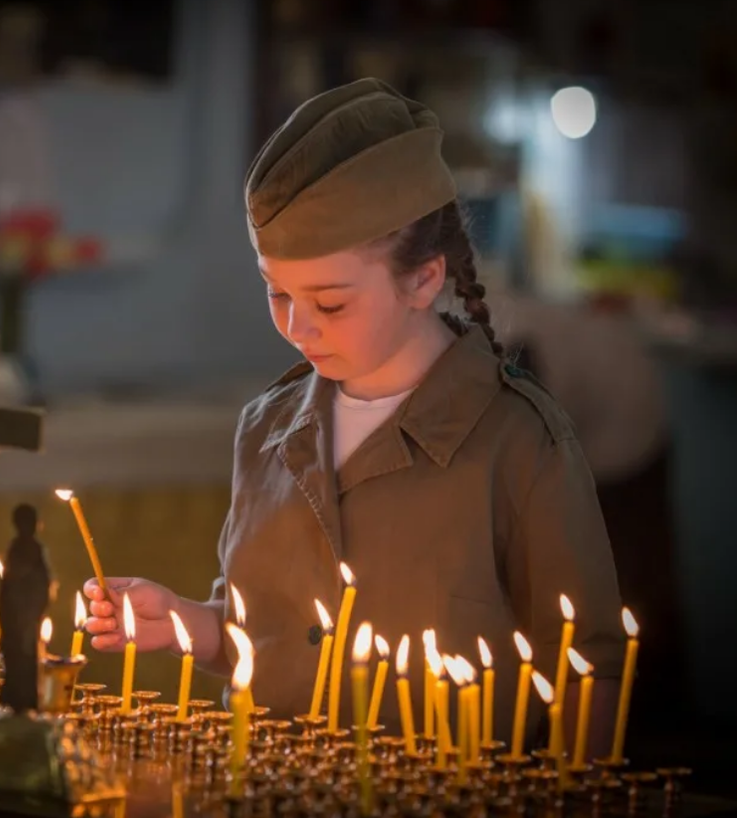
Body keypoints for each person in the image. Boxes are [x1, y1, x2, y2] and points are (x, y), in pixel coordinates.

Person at [83, 78, 625, 752]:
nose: (297, 328)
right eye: (276, 293)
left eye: (331, 303)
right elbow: (264, 631)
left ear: (423, 279)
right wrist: (190, 623)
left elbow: (587, 669)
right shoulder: (268, 431)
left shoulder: (517, 442)